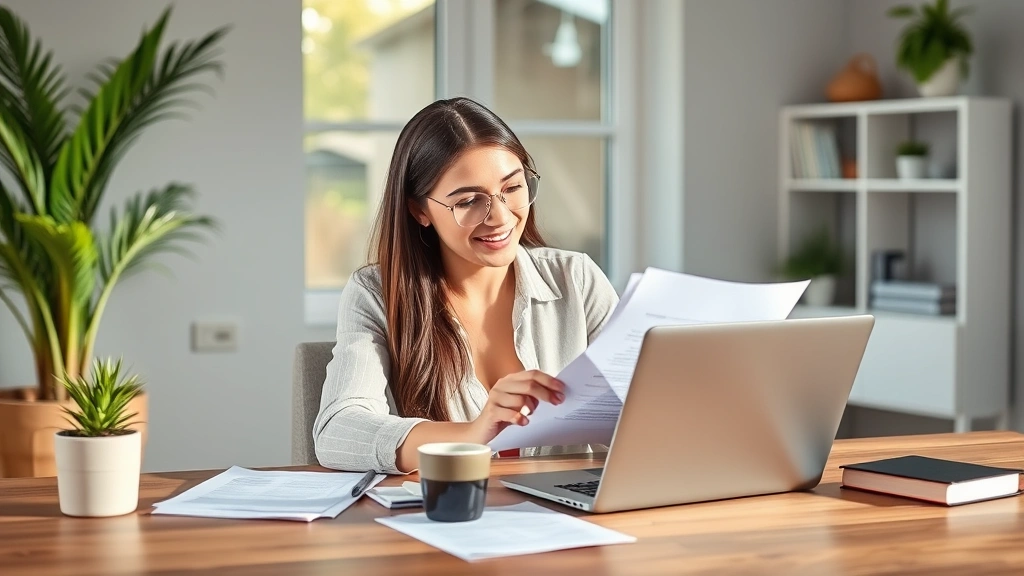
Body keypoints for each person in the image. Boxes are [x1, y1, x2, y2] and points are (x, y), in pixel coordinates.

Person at [313, 97, 619, 474]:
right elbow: (338, 431)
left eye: (512, 188)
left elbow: (641, 410)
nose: (501, 217)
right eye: (470, 200)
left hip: (572, 511)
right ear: (419, 210)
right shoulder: (377, 292)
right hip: (451, 512)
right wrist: (473, 434)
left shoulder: (577, 279)